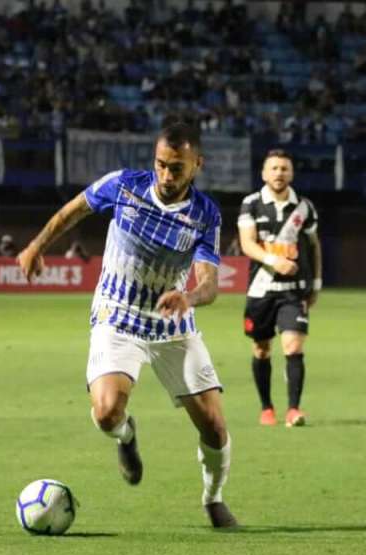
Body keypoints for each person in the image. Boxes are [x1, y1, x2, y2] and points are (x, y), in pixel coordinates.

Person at [16, 121, 239, 529]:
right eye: (161, 165)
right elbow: (73, 210)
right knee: (105, 413)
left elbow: (210, 284)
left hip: (172, 322)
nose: (167, 176)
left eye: (177, 168)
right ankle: (126, 436)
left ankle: (213, 498)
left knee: (214, 424)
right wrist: (35, 245)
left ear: (197, 165)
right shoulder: (123, 186)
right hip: (117, 314)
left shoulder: (205, 213)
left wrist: (187, 297)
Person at [237, 149, 322, 427]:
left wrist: (317, 283)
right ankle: (267, 408)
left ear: (291, 173)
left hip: (293, 290)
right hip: (261, 290)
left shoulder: (304, 207)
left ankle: (294, 410)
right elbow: (247, 244)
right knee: (262, 349)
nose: (279, 173)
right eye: (273, 168)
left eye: (284, 168)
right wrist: (274, 260)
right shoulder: (251, 204)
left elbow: (313, 246)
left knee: (293, 344)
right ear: (264, 174)